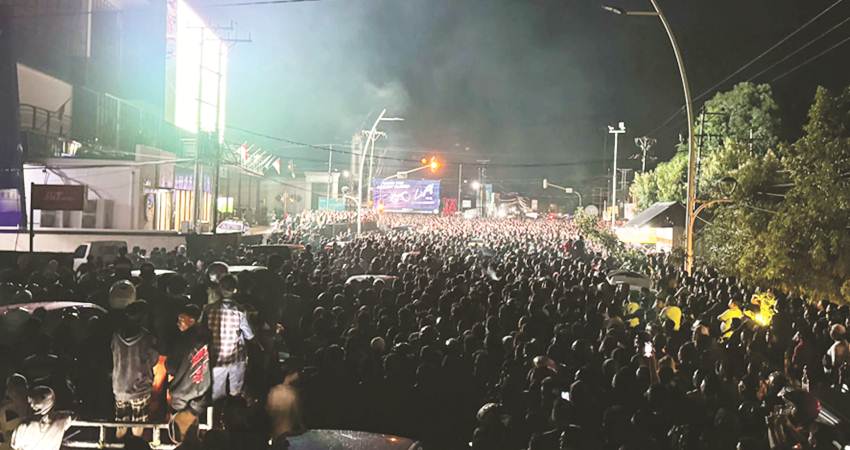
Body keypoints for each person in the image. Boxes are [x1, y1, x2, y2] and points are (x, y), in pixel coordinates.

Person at [203, 274, 256, 401]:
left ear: (220, 288)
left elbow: (203, 333)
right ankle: (233, 412)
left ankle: (216, 414)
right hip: (236, 359)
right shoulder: (240, 311)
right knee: (235, 394)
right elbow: (250, 335)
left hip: (216, 358)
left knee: (217, 396)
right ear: (235, 290)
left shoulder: (208, 310)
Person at [111, 301, 159, 439]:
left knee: (120, 425)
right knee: (138, 425)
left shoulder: (116, 336)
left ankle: (118, 445)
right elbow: (154, 360)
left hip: (119, 387)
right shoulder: (147, 338)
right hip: (140, 388)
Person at [167, 304, 211, 441]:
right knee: (193, 430)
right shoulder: (208, 337)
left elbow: (171, 367)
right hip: (202, 394)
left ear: (192, 321)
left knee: (179, 432)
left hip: (181, 395)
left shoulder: (182, 340)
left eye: (181, 320)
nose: (178, 323)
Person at [9, 386, 72, 450]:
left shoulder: (24, 426)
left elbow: (16, 446)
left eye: (33, 401)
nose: (31, 405)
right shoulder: (63, 419)